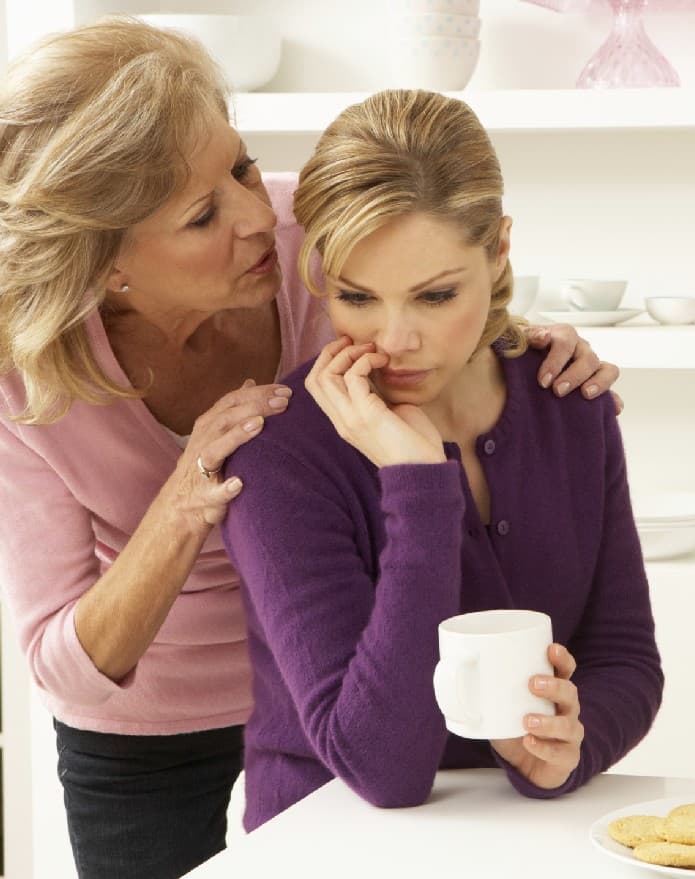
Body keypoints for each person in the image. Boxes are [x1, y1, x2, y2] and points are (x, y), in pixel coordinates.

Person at [0, 18, 619, 879]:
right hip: (152, 723)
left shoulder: (309, 236)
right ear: (106, 263)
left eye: (243, 164)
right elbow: (64, 668)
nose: (262, 213)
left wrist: (529, 353)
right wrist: (184, 502)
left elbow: (441, 290)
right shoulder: (24, 373)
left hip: (328, 686)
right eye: (204, 213)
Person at [219, 88, 663, 829]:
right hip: (330, 845)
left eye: (434, 295)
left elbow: (624, 658)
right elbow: (380, 766)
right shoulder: (281, 455)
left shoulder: (568, 399)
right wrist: (418, 486)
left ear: (498, 250)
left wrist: (567, 742)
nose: (394, 339)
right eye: (358, 296)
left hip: (524, 841)